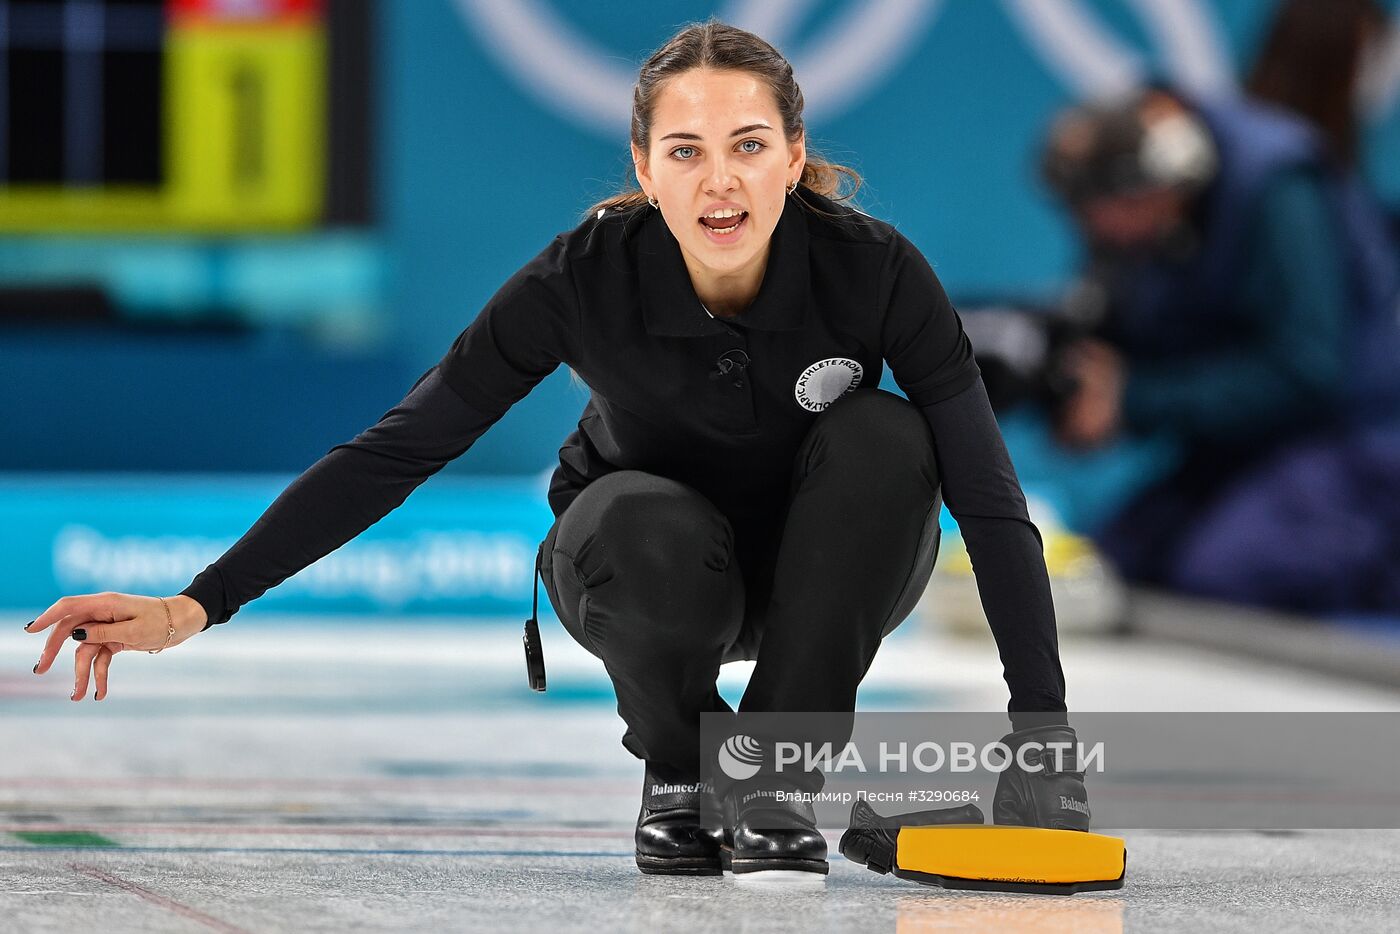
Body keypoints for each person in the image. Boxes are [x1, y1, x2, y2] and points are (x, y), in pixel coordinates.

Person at [25, 19, 1089, 879]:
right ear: (642, 164)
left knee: (885, 435)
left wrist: (1039, 733)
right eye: (685, 150)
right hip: (647, 574)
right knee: (634, 514)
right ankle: (680, 770)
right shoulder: (581, 275)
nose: (719, 183)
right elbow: (401, 448)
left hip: (835, 573)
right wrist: (195, 604)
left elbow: (988, 500)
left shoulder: (876, 272)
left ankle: (768, 781)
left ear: (794, 155)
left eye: (748, 145)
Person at [1041, 84, 1400, 612]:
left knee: (1225, 573)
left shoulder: (1279, 186)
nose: (1098, 237)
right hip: (1245, 445)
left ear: (1150, 185)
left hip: (1352, 440)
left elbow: (1308, 371)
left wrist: (1133, 398)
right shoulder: (1153, 220)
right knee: (1113, 566)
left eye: (1101, 215)